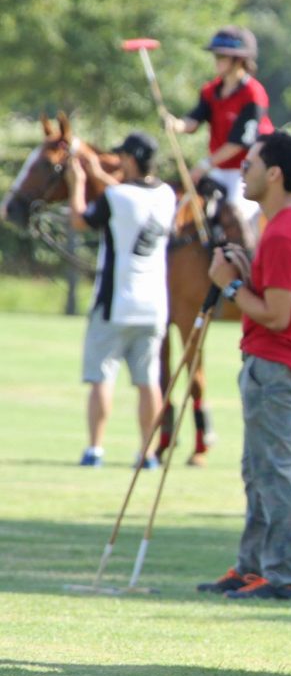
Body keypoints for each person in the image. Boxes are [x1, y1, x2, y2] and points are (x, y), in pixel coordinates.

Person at [198, 131, 291, 600]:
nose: (242, 173)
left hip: (278, 364)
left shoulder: (286, 230)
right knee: (256, 469)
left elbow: (277, 313)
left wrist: (229, 285)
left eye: (248, 165)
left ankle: (282, 574)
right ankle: (250, 566)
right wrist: (245, 270)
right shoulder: (281, 225)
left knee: (271, 470)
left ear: (274, 173)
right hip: (272, 363)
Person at [67, 132, 175, 469]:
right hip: (154, 305)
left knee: (102, 378)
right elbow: (129, 194)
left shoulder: (116, 196)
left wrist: (77, 182)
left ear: (129, 159)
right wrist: (99, 174)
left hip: (116, 303)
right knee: (148, 381)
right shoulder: (167, 194)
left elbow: (79, 219)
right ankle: (147, 453)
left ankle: (95, 449)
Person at [172, 25, 274, 242]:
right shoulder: (211, 90)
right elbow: (195, 119)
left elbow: (240, 143)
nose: (216, 60)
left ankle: (249, 270)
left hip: (247, 172)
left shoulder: (253, 94)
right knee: (184, 209)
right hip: (220, 170)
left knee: (240, 217)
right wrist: (177, 125)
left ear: (238, 60)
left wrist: (205, 165)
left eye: (221, 56)